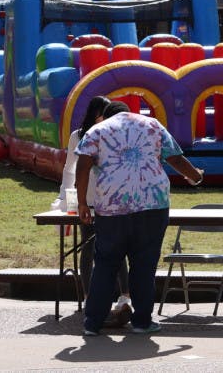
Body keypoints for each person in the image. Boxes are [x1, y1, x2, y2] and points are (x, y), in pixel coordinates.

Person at [76, 100, 205, 336]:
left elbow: (82, 166)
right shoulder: (152, 125)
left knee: (105, 264)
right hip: (152, 206)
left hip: (111, 208)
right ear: (129, 113)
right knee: (144, 265)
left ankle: (92, 323)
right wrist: (195, 176)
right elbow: (175, 158)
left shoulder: (97, 130)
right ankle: (142, 322)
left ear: (105, 116)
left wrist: (83, 203)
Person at [53, 96, 132, 325]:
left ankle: (125, 296)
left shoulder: (113, 135)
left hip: (111, 200)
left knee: (118, 249)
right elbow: (70, 169)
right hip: (87, 200)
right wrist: (65, 197)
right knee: (87, 247)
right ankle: (88, 297)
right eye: (103, 113)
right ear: (95, 114)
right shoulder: (78, 136)